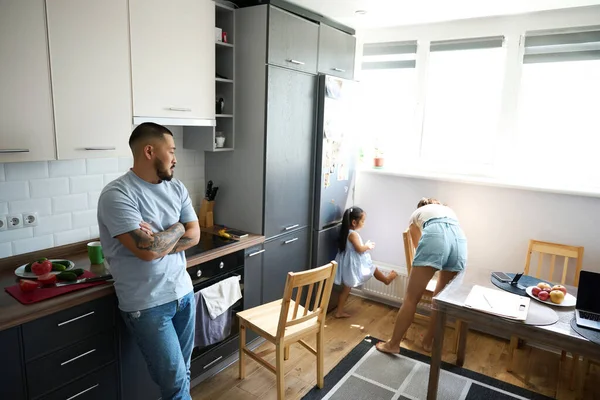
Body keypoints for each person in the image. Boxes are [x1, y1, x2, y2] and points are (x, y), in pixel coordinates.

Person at [97, 122, 200, 400]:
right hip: (147, 305)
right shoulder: (117, 195)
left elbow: (196, 234)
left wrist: (163, 237)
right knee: (176, 385)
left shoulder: (176, 188)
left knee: (184, 374)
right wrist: (178, 227)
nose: (175, 159)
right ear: (150, 151)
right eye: (172, 151)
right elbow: (148, 251)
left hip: (183, 294)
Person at [376, 197, 467, 354]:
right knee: (440, 300)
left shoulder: (417, 214)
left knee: (411, 298)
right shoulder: (448, 211)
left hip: (436, 237)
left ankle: (393, 344)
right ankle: (428, 342)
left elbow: (420, 249)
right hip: (459, 241)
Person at [334, 207, 398, 318]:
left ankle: (339, 312)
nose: (364, 223)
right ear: (354, 222)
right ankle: (386, 280)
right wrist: (367, 246)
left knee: (346, 289)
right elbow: (359, 249)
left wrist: (365, 245)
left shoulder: (346, 232)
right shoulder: (353, 234)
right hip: (353, 264)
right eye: (362, 221)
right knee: (372, 268)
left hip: (348, 264)